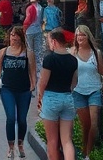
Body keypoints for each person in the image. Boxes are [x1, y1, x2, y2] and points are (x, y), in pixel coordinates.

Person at [0, 26, 35, 159]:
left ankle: (20, 144)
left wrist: (33, 85)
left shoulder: (28, 53)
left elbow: (32, 70)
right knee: (11, 118)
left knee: (22, 119)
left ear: (21, 37)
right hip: (7, 89)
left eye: (16, 35)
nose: (13, 38)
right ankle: (10, 147)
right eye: (11, 35)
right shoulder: (3, 52)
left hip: (24, 90)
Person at [37, 29, 78, 160]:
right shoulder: (73, 60)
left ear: (54, 41)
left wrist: (40, 97)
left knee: (52, 141)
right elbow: (74, 82)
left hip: (51, 98)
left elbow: (43, 82)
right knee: (67, 141)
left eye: (49, 41)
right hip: (67, 97)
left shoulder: (49, 59)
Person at [70, 25, 103, 160]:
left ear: (88, 36)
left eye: (83, 35)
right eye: (78, 35)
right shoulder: (72, 52)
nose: (80, 37)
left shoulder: (97, 52)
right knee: (86, 124)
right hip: (78, 91)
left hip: (94, 90)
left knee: (94, 123)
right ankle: (84, 149)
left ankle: (87, 154)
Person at [22, 0, 45, 82]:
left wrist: (24, 28)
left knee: (30, 49)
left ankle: (30, 67)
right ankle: (38, 68)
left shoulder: (30, 8)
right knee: (38, 50)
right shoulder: (40, 8)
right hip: (38, 30)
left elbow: (28, 19)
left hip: (29, 31)